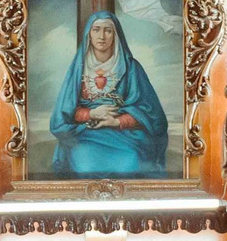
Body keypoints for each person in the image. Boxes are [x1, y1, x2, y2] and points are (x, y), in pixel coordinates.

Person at [47, 10, 169, 175]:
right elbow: (64, 114)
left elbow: (153, 115)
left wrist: (116, 122)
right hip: (86, 134)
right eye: (96, 29)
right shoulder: (78, 68)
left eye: (108, 30)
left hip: (125, 136)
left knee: (130, 163)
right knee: (85, 166)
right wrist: (92, 113)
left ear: (116, 35)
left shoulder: (132, 68)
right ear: (89, 34)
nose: (101, 36)